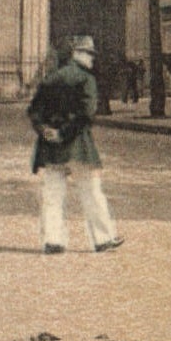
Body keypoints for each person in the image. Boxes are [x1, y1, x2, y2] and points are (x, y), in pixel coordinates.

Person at [27, 34, 123, 255]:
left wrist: (45, 131)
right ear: (77, 54)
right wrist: (63, 133)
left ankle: (53, 241)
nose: (92, 58)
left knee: (52, 194)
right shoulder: (85, 79)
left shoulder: (51, 79)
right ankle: (103, 238)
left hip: (51, 148)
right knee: (91, 191)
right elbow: (86, 115)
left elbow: (34, 111)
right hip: (77, 144)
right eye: (89, 53)